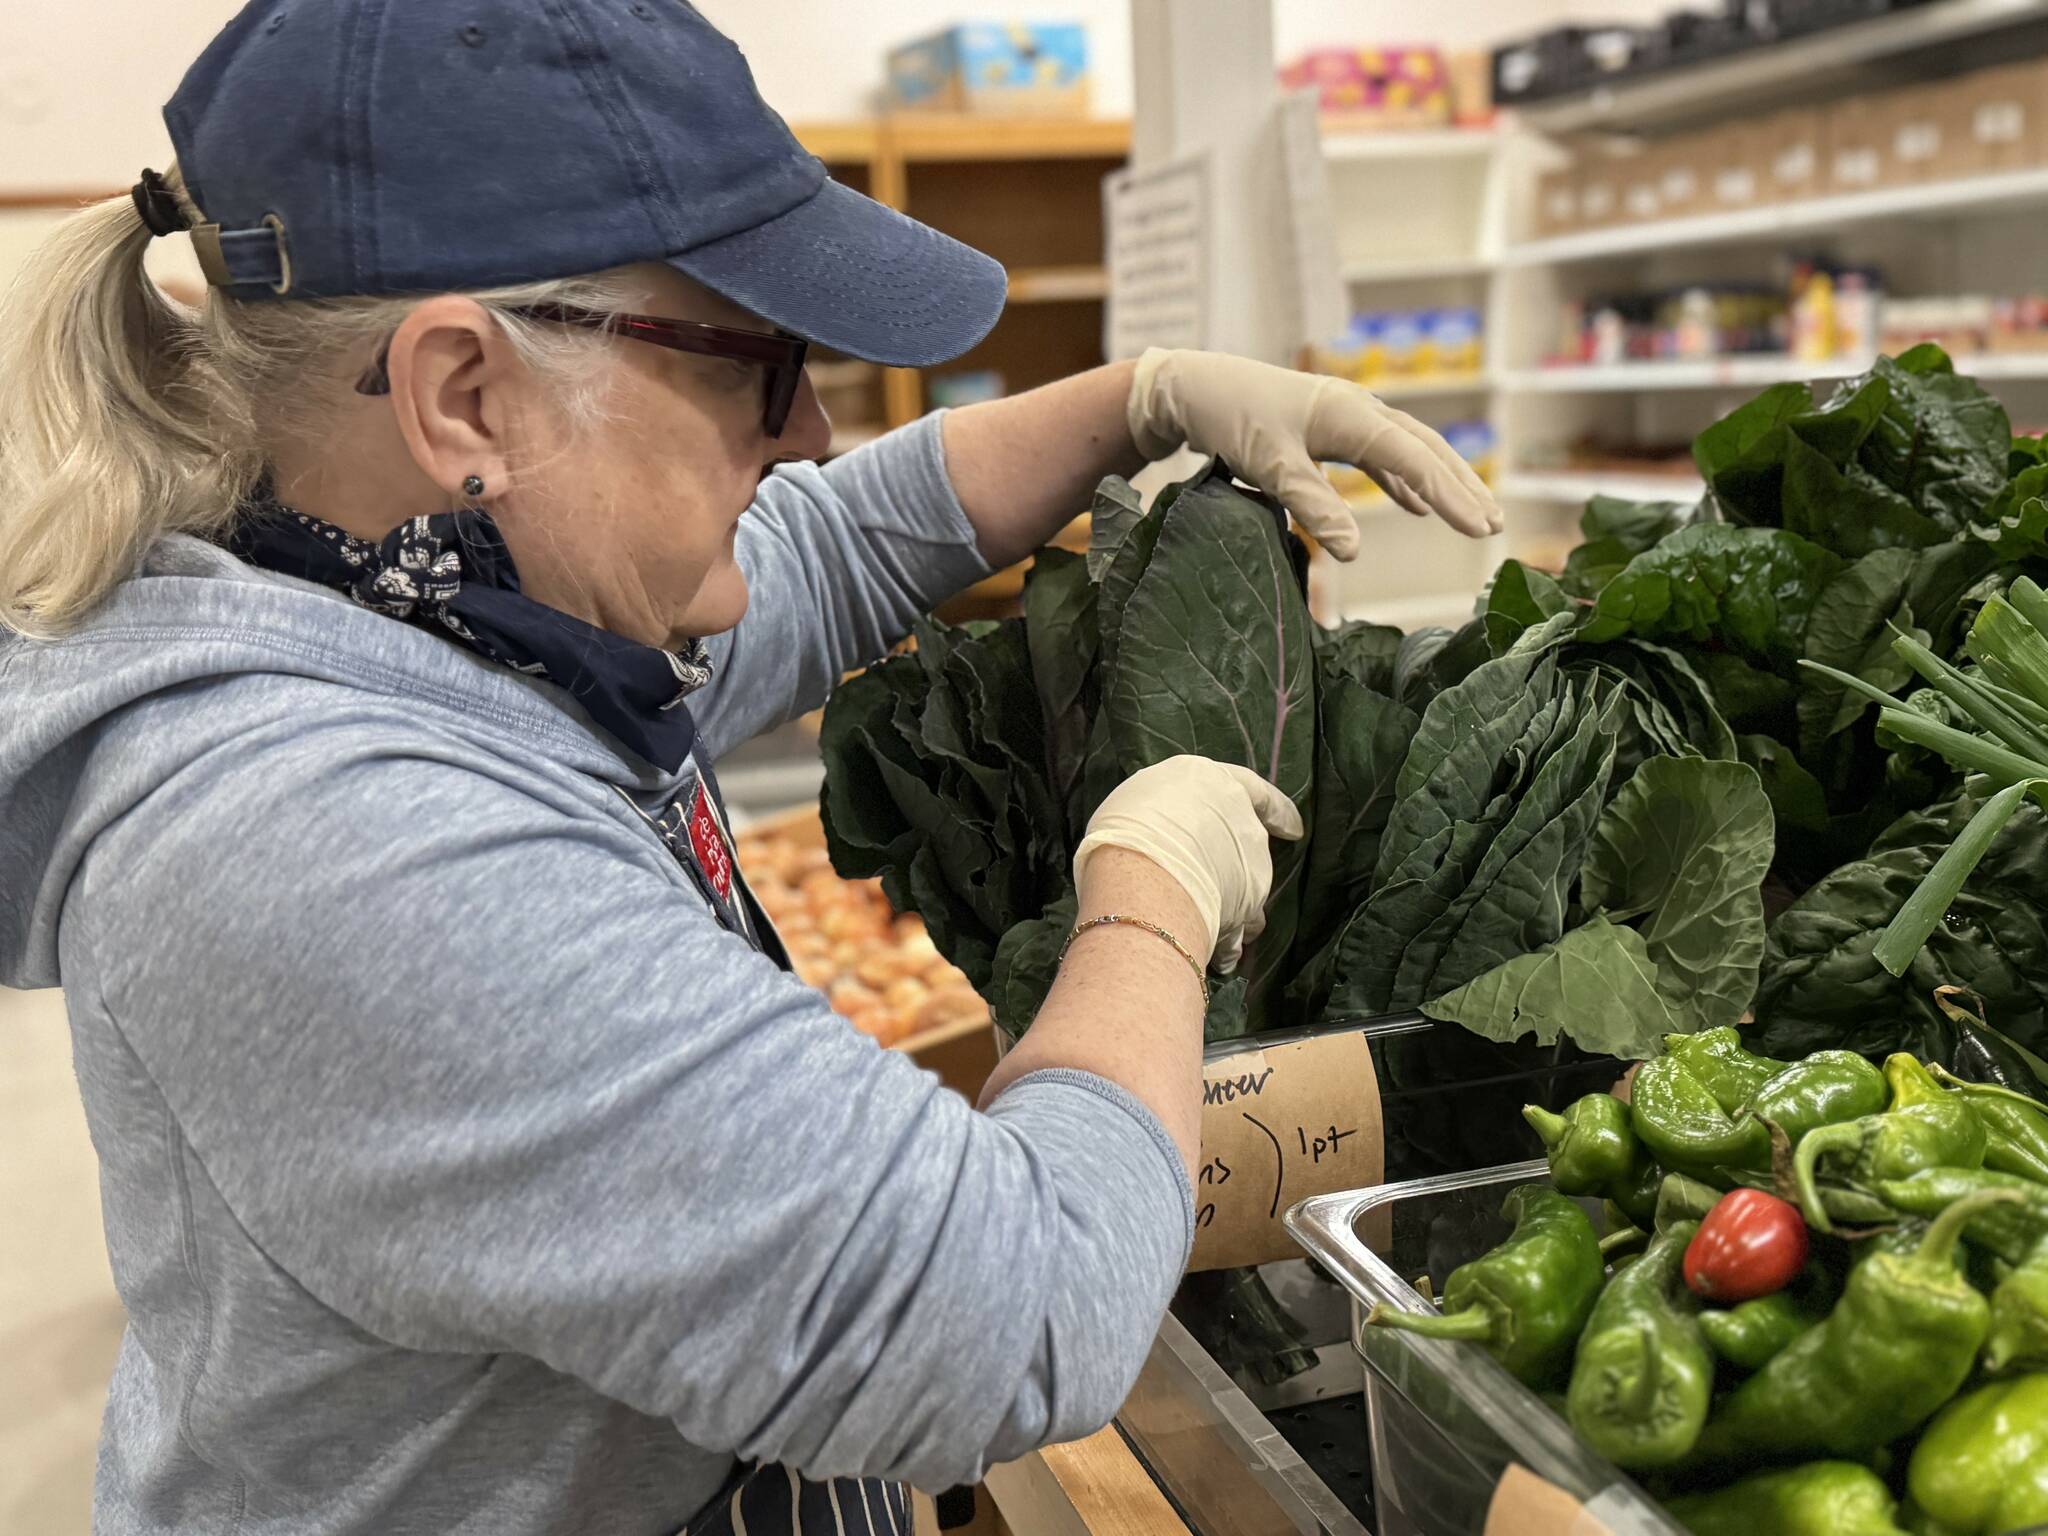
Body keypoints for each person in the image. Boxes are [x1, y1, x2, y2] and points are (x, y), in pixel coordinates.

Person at [0, 4, 1501, 1534]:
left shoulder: (428, 595)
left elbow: (834, 538)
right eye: (753, 364)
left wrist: (1141, 397)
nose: (809, 424)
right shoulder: (343, 852)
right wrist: (1149, 904)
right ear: (465, 393)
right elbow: (1017, 1310)